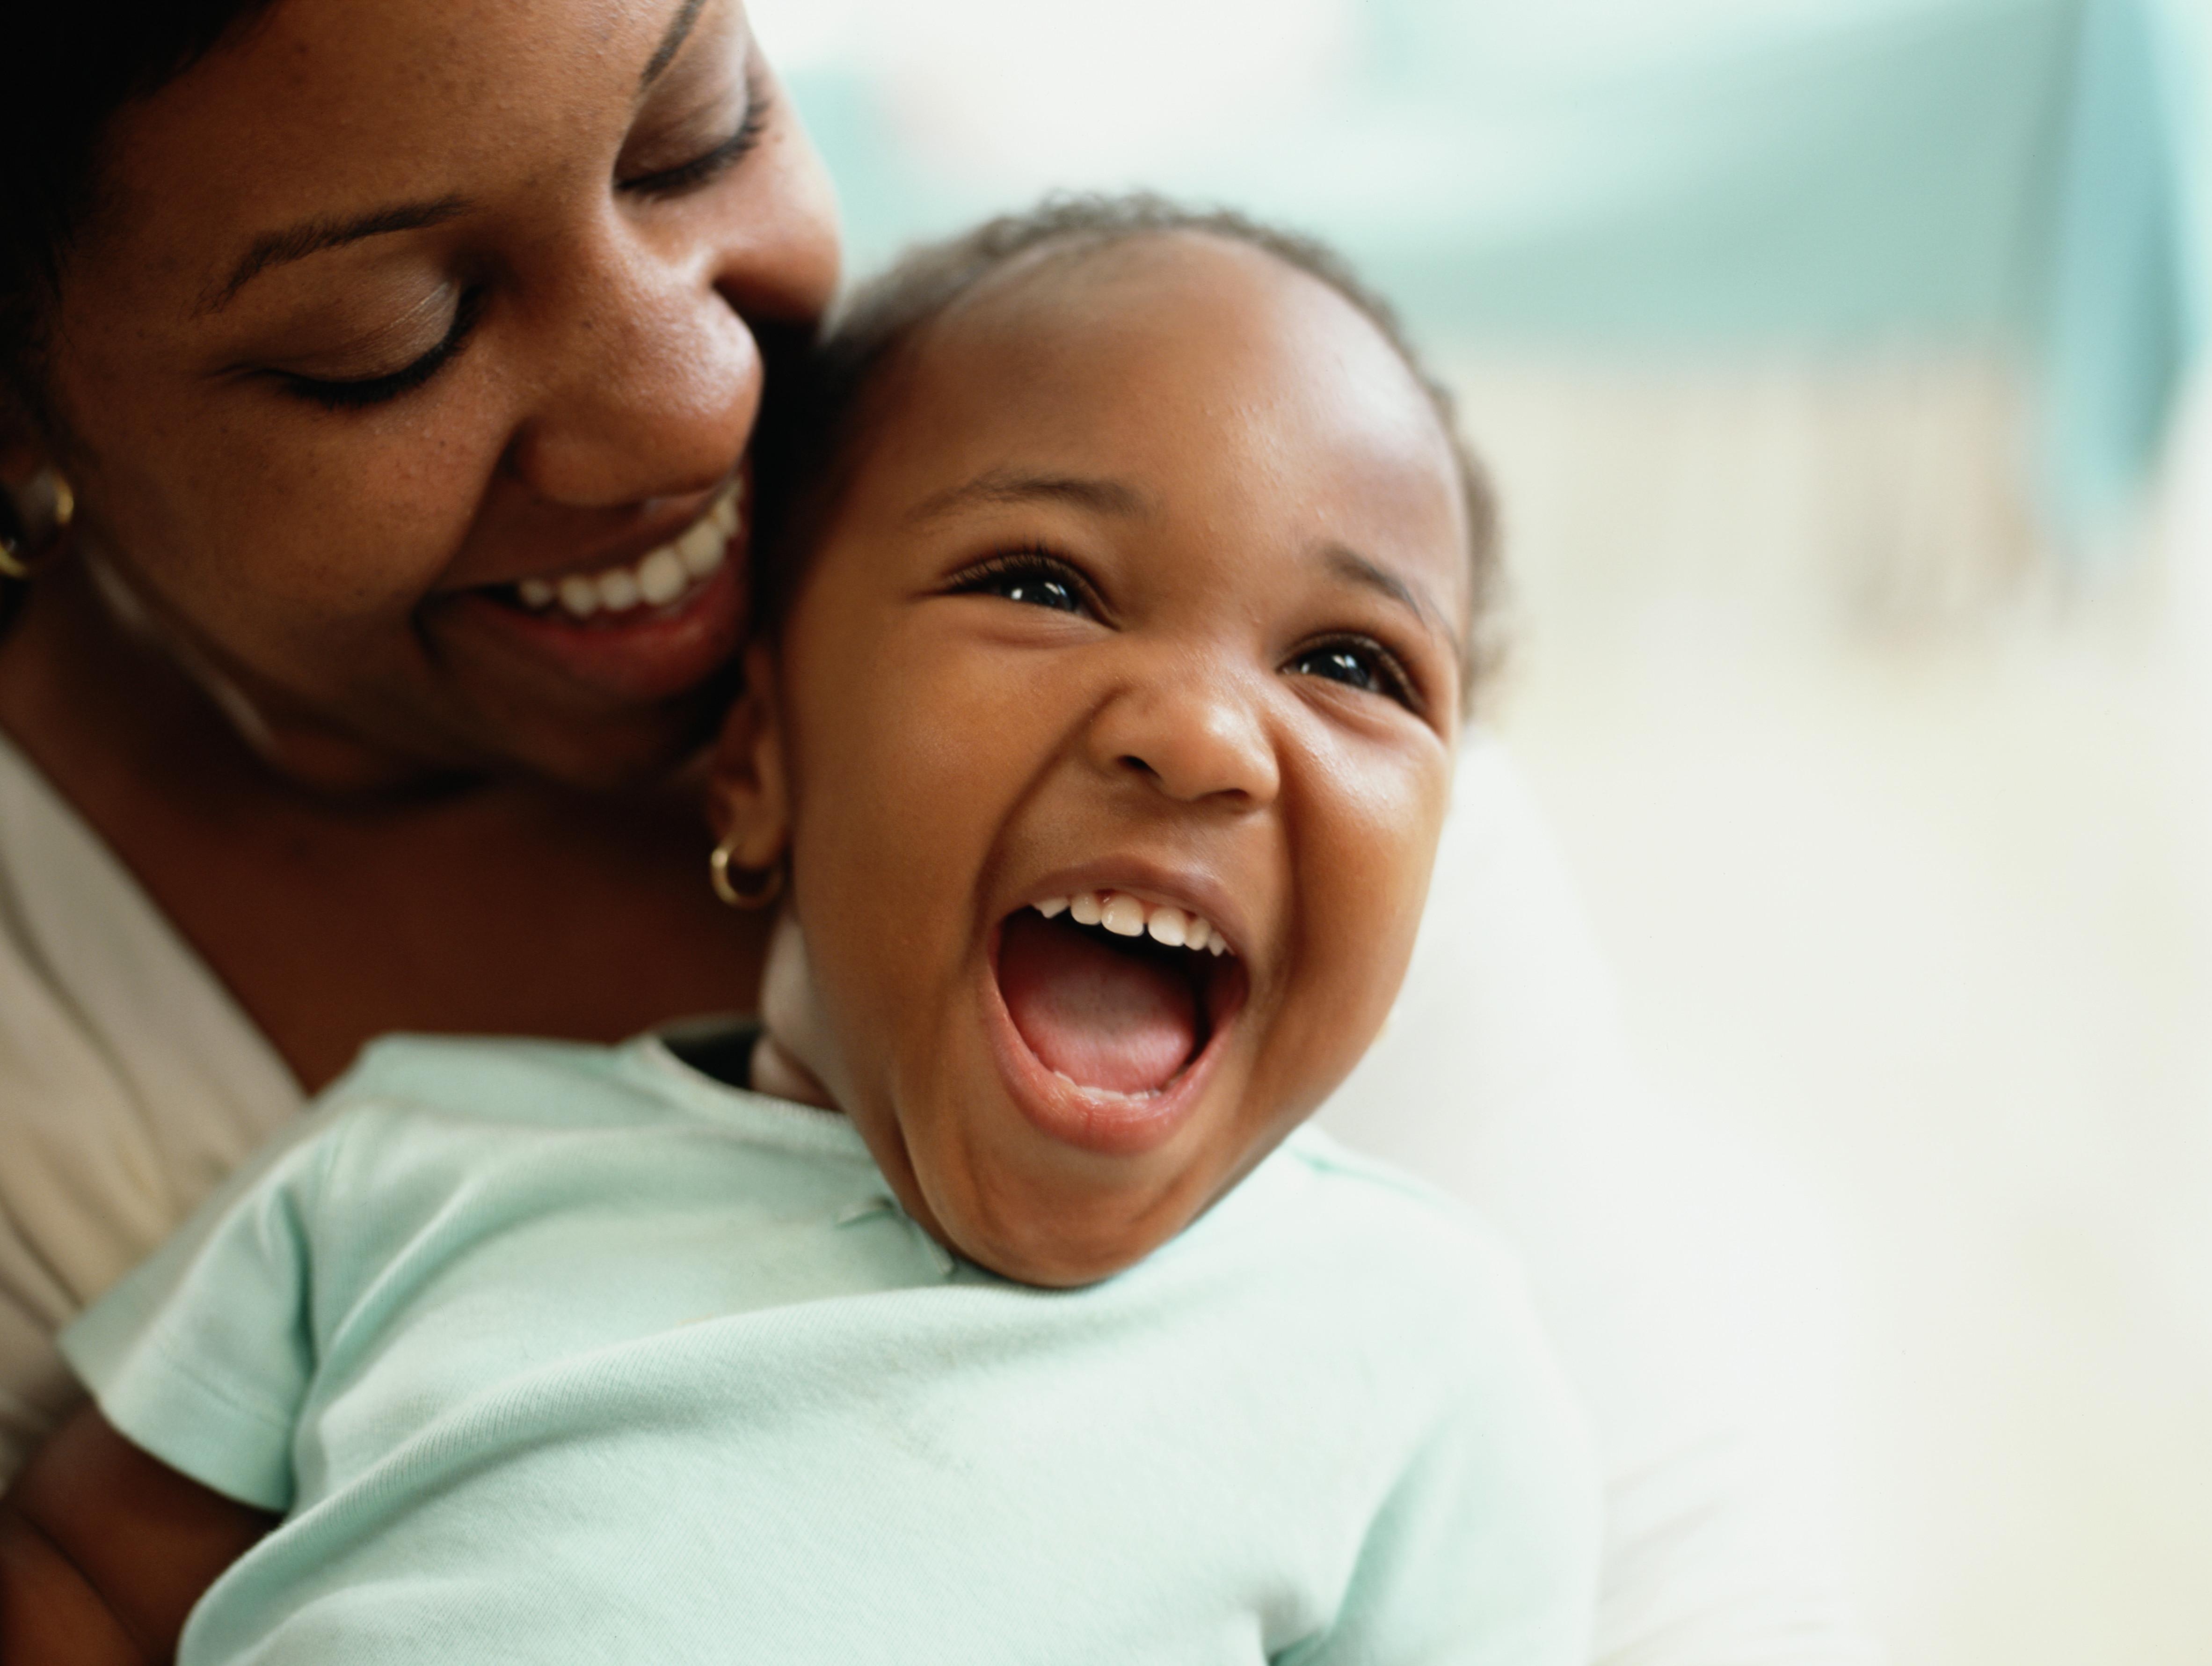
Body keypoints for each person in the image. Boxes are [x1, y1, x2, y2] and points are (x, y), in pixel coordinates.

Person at [0, 3, 1877, 1661]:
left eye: (695, 127)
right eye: (383, 335)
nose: (698, 399)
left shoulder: (1411, 1334)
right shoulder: (409, 1165)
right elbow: (81, 1575)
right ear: (762, 759)